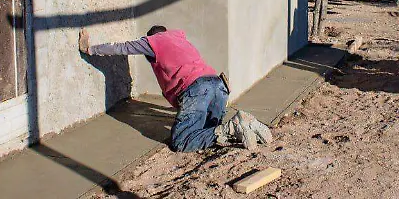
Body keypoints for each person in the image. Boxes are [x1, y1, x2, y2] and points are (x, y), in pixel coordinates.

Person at [78, 26, 272, 151]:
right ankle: (246, 126)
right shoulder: (180, 39)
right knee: (208, 132)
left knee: (182, 141)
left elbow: (122, 47)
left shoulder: (152, 41)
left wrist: (91, 49)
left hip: (197, 89)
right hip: (218, 85)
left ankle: (233, 126)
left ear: (152, 35)